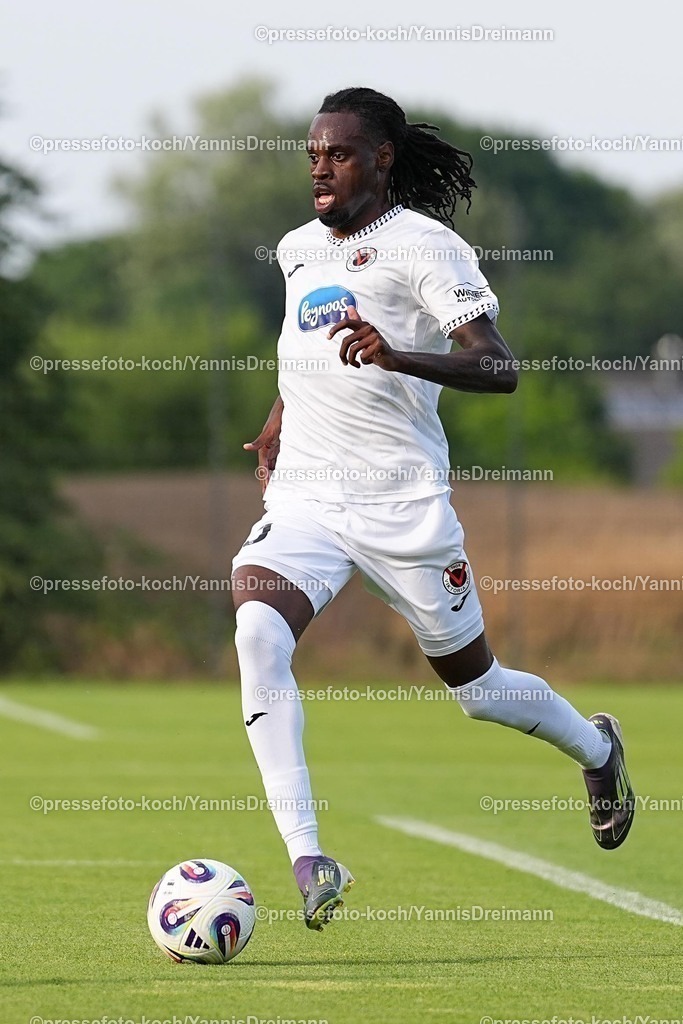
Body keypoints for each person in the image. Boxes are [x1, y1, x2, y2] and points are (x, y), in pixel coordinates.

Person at [231, 87, 634, 932]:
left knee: (480, 691)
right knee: (257, 634)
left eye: (337, 153)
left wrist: (398, 355)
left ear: (380, 158)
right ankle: (309, 859)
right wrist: (276, 422)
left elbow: (499, 368)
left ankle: (597, 749)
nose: (319, 167)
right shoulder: (297, 248)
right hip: (306, 496)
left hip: (403, 506)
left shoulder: (427, 248)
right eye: (311, 154)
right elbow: (303, 350)